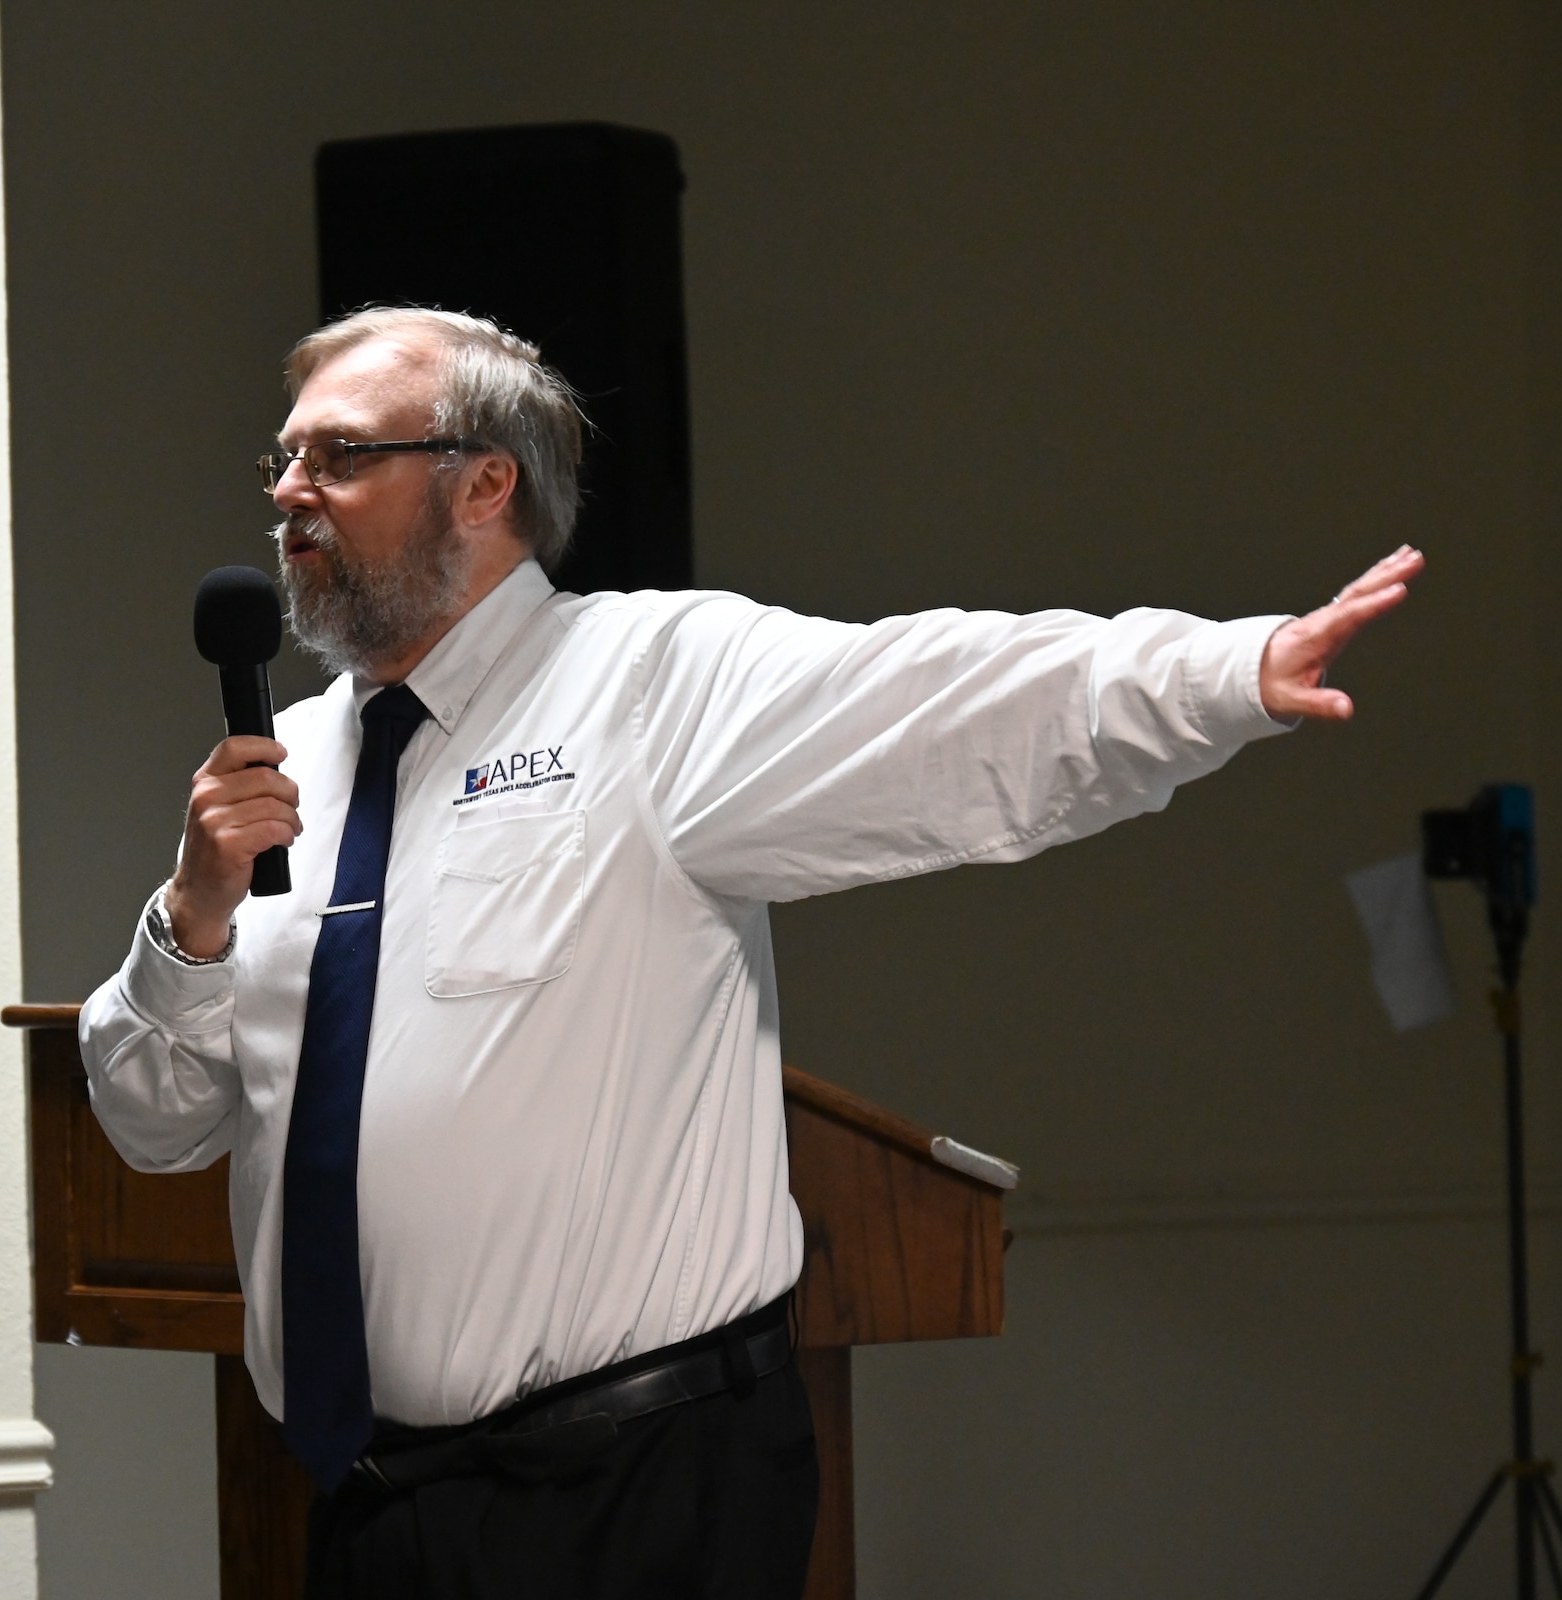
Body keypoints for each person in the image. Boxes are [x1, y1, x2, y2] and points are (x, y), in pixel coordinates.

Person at [80, 307, 1421, 1598]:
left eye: (341, 454)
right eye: (286, 457)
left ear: (485, 484)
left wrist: (1227, 674)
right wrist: (192, 913)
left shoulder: (648, 683)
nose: (291, 492)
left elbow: (943, 702)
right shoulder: (285, 766)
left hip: (632, 1496)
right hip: (363, 1503)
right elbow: (155, 1126)